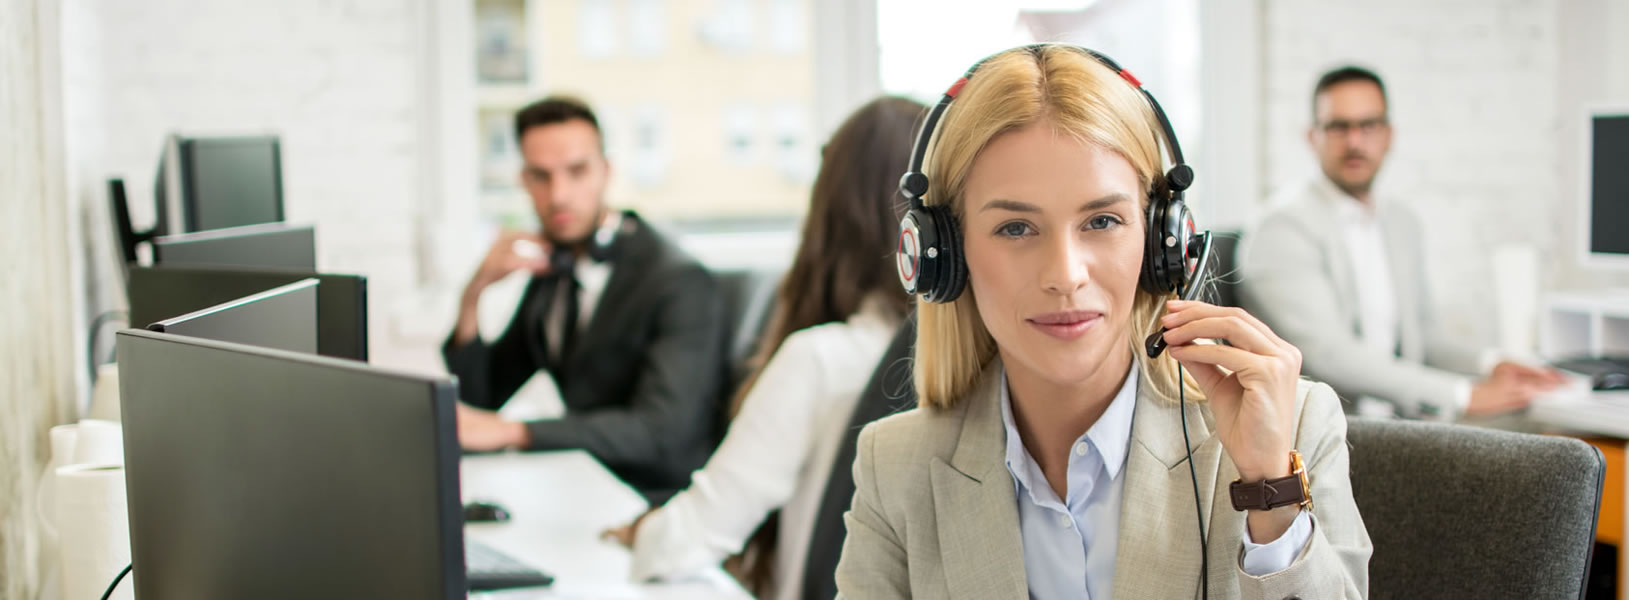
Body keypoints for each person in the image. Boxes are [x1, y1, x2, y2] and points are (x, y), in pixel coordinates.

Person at [835, 45, 1371, 599]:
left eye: (1103, 220)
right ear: (943, 254)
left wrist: (1269, 494)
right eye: (1016, 228)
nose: (1065, 276)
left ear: (1164, 239)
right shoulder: (896, 466)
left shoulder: (1293, 431)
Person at [602, 96, 923, 600]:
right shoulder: (968, 363)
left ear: (830, 212)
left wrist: (643, 532)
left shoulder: (820, 359)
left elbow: (689, 540)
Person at [1237, 66, 1565, 421]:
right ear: (1312, 136)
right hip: (1327, 434)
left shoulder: (1400, 223)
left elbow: (1423, 339)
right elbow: (1328, 354)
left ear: (1389, 135)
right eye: (1338, 127)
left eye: (1369, 125)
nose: (1355, 142)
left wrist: (1491, 364)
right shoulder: (1280, 228)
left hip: (1404, 424)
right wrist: (1460, 394)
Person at [443, 96, 727, 493]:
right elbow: (482, 401)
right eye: (541, 176)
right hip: (584, 486)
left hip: (652, 501)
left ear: (605, 172)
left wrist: (516, 432)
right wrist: (473, 293)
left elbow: (660, 432)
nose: (558, 195)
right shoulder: (552, 273)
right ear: (524, 181)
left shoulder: (678, 280)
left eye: (576, 172)